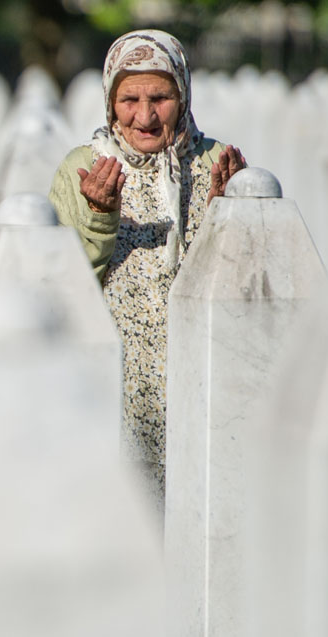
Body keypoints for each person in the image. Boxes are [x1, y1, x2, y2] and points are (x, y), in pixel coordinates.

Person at [49, 29, 246, 509]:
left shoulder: (215, 162)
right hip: (114, 387)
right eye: (129, 100)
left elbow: (243, 281)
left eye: (160, 98)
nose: (145, 116)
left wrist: (228, 218)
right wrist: (99, 218)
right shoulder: (84, 167)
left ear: (183, 94)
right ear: (109, 101)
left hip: (199, 379)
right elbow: (60, 286)